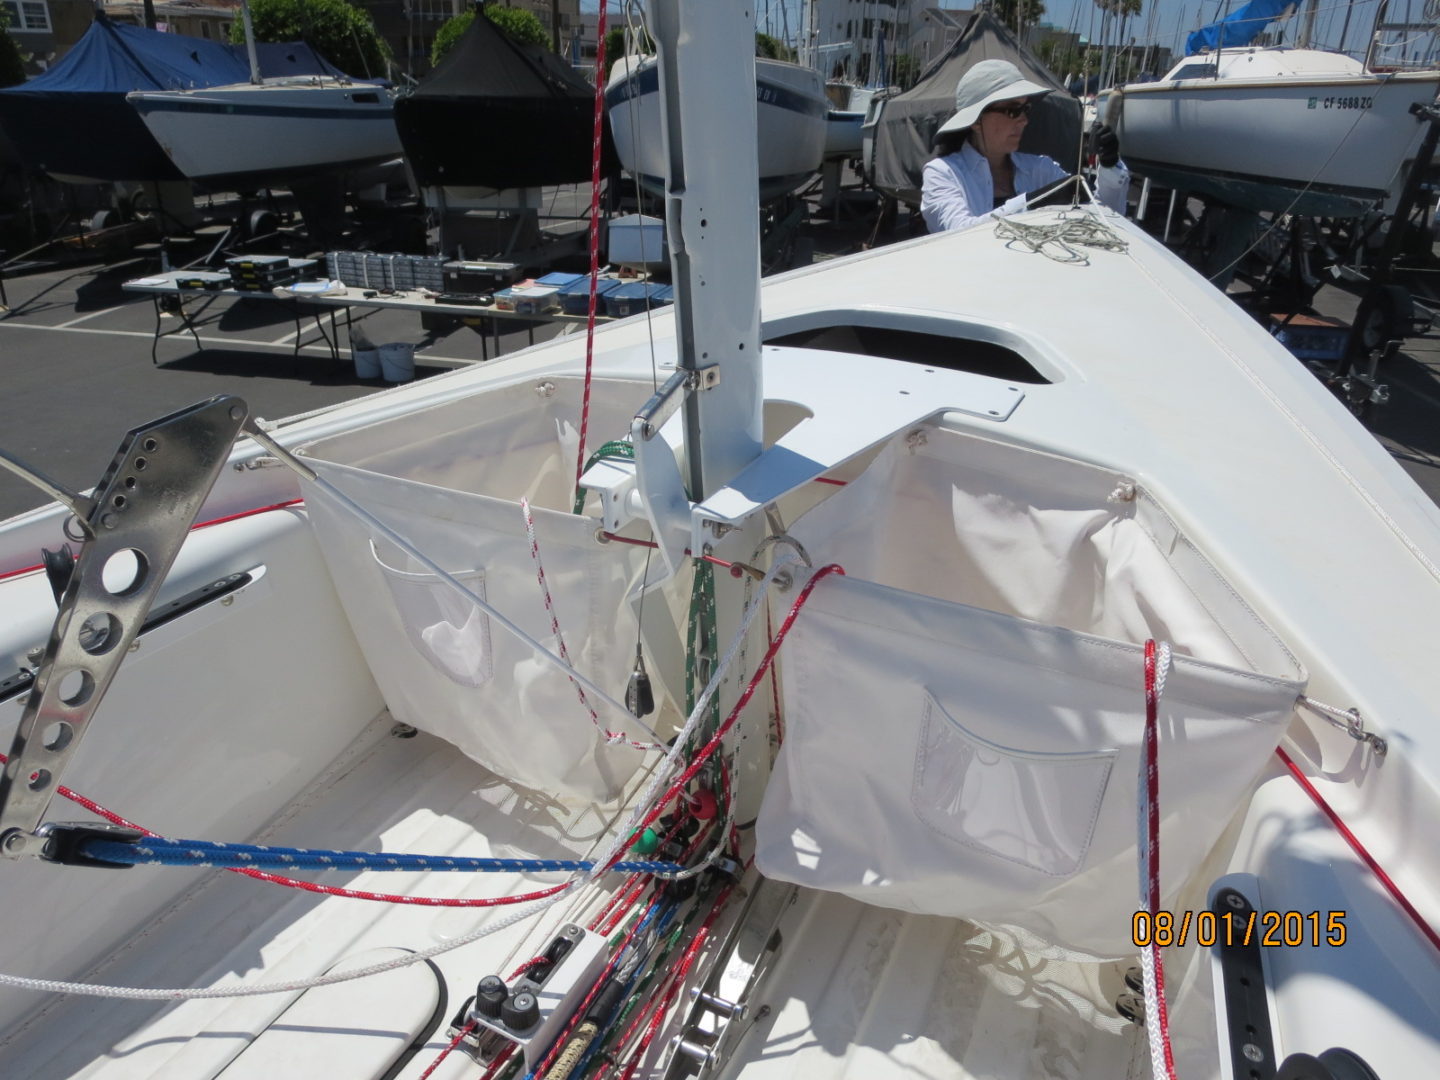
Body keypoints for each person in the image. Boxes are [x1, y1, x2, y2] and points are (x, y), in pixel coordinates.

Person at [920, 59, 1126, 233]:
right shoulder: (942, 174)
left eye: (1025, 109)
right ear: (976, 120)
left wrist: (1109, 166)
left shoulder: (1041, 169)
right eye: (1013, 111)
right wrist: (1034, 203)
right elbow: (959, 234)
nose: (1024, 121)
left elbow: (1103, 217)